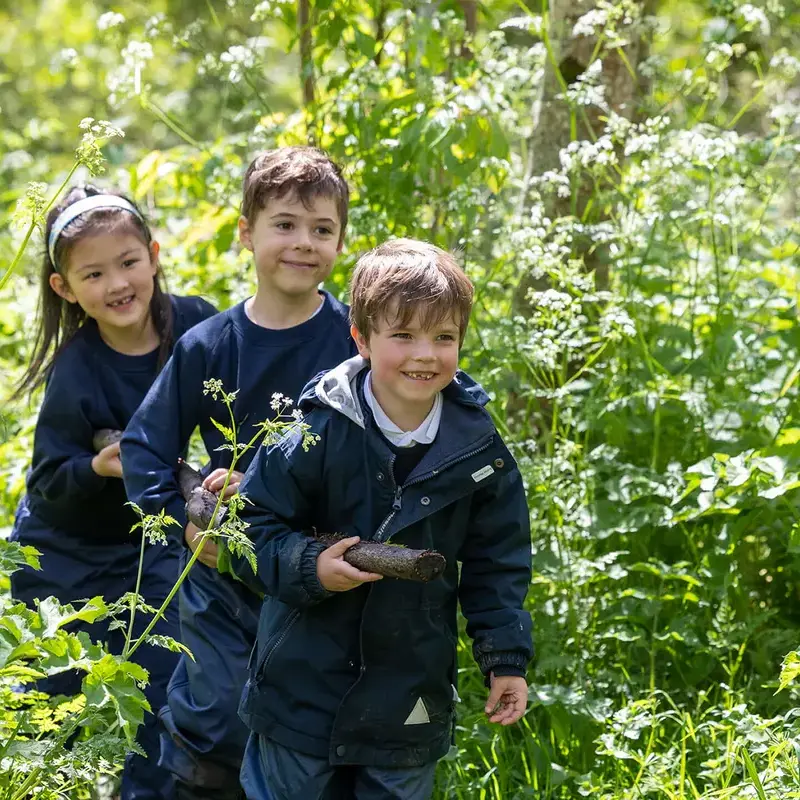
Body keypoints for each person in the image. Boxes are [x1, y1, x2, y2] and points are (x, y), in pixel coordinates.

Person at [231, 238, 534, 800]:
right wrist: (309, 567)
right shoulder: (314, 431)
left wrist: (505, 659)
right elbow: (250, 529)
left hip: (409, 686)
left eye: (444, 337)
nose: (425, 354)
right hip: (302, 682)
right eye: (403, 335)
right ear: (361, 338)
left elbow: (498, 564)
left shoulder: (480, 451)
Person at [121, 147, 357, 799]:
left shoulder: (356, 345)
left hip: (317, 572)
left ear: (340, 240)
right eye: (284, 224)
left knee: (305, 732)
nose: (303, 243)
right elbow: (145, 448)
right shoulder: (210, 345)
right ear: (245, 233)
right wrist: (184, 530)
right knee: (214, 720)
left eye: (322, 229)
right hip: (222, 569)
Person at [9, 184, 218, 800]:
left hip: (152, 543)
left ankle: (146, 791)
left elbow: (235, 407)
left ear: (153, 255)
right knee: (61, 701)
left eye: (128, 262)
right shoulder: (78, 369)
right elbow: (48, 483)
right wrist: (98, 469)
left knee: (161, 674)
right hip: (67, 557)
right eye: (94, 273)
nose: (118, 283)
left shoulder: (198, 326)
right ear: (65, 288)